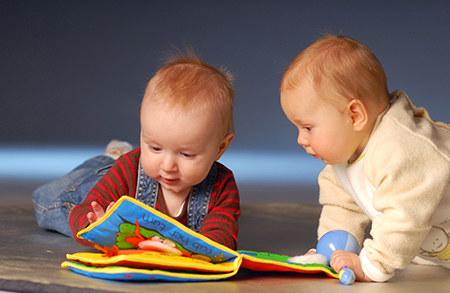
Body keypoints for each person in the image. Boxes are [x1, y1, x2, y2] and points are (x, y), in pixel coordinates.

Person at [279, 34, 450, 282]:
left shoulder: (399, 151)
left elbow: (404, 216)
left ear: (355, 115)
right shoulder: (340, 160)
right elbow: (341, 209)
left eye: (307, 128)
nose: (300, 139)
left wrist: (373, 265)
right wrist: (331, 254)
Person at [32, 50, 240, 250]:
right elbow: (83, 211)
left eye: (186, 154)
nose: (168, 166)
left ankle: (116, 155)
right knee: (49, 204)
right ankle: (109, 158)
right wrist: (97, 224)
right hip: (92, 188)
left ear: (220, 148)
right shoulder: (128, 170)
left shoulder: (222, 186)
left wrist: (197, 249)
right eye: (155, 147)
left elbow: (222, 235)